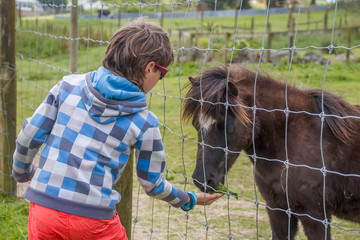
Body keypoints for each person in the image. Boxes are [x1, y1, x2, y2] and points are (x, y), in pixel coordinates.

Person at [12, 18, 223, 239]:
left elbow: (28, 136)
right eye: (163, 72)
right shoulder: (144, 122)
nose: (160, 79)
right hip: (94, 220)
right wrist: (188, 199)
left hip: (44, 212)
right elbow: (153, 184)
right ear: (149, 68)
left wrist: (22, 172)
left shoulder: (66, 86)